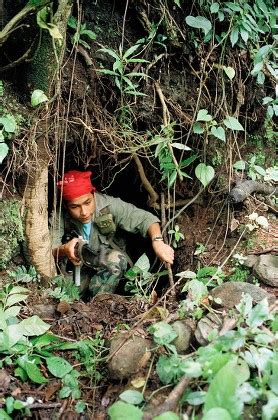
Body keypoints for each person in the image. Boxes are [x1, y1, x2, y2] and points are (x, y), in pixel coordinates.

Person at [52, 170, 174, 296]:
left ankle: (99, 305)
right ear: (66, 206)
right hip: (76, 268)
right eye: (74, 207)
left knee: (116, 259)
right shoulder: (60, 216)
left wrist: (158, 242)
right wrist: (64, 249)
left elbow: (145, 219)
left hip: (105, 263)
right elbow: (47, 250)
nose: (84, 211)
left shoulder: (108, 205)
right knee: (66, 295)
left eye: (87, 202)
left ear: (93, 194)